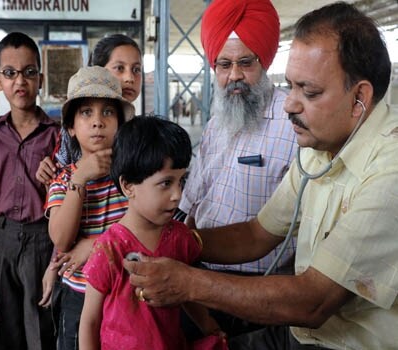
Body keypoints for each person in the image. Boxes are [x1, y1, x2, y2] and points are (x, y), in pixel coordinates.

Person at [124, 2, 398, 349]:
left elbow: (313, 301)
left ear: (360, 97)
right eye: (291, 86)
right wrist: (182, 243)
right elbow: (258, 233)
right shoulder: (319, 149)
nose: (289, 104)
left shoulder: (390, 171)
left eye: (308, 92)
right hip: (300, 333)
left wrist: (188, 283)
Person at [179, 0, 297, 336]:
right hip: (200, 275)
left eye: (245, 63)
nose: (234, 76)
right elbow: (197, 189)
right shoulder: (219, 119)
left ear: (265, 60)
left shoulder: (293, 124)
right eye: (224, 64)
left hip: (259, 292)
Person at [79, 116, 226, 350]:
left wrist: (209, 327)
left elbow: (187, 292)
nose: (177, 194)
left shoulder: (179, 237)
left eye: (181, 181)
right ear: (128, 186)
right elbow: (89, 321)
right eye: (166, 183)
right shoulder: (109, 248)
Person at [0, 32, 58, 350]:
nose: (20, 80)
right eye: (10, 73)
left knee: (43, 333)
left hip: (43, 242)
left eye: (29, 72)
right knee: (3, 333)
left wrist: (55, 179)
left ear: (40, 78)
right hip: (2, 244)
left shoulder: (57, 136)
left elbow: (67, 199)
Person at [45, 65, 134, 350]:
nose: (97, 122)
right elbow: (61, 239)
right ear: (70, 127)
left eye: (107, 112)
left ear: (119, 122)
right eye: (86, 113)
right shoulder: (63, 180)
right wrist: (80, 178)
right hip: (78, 297)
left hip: (126, 294)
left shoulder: (133, 178)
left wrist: (96, 244)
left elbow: (149, 231)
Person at [36, 33, 142, 185]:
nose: (129, 78)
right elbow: (60, 181)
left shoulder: (143, 131)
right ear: (97, 70)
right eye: (119, 68)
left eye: (136, 69)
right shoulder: (74, 131)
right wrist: (50, 174)